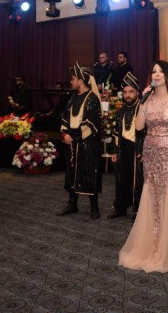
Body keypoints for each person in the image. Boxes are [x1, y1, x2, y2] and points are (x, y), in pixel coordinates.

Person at [118, 60, 168, 273]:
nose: (156, 74)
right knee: (152, 195)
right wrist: (142, 101)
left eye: (160, 71)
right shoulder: (147, 100)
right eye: (153, 71)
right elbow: (139, 126)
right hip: (151, 153)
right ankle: (154, 244)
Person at [57, 62, 102, 220]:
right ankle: (72, 204)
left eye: (73, 79)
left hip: (87, 144)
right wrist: (64, 134)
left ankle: (94, 207)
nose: (71, 81)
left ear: (81, 81)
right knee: (71, 173)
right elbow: (64, 118)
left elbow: (91, 124)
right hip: (72, 143)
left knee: (89, 173)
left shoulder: (93, 99)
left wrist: (74, 138)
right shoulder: (72, 98)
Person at [108, 72, 144, 219]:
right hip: (123, 148)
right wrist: (115, 151)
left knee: (138, 181)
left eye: (131, 92)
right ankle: (121, 207)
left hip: (138, 149)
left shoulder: (143, 108)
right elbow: (117, 132)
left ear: (137, 92)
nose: (127, 95)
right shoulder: (122, 109)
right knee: (121, 179)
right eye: (125, 92)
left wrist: (143, 150)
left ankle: (138, 211)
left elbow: (147, 132)